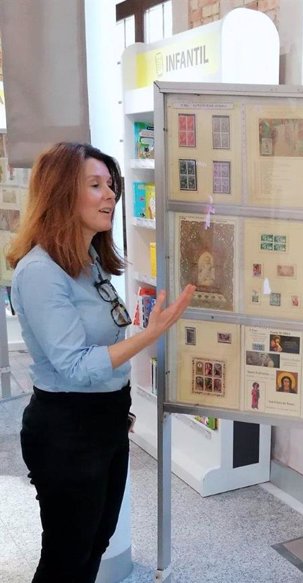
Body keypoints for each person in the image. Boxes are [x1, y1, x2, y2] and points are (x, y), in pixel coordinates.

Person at [7, 142, 195, 583]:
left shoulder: (88, 261)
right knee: (67, 556)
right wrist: (149, 335)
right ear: (59, 194)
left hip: (105, 420)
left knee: (97, 540)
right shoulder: (39, 272)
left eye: (111, 185)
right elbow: (74, 365)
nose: (110, 195)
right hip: (66, 430)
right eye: (95, 185)